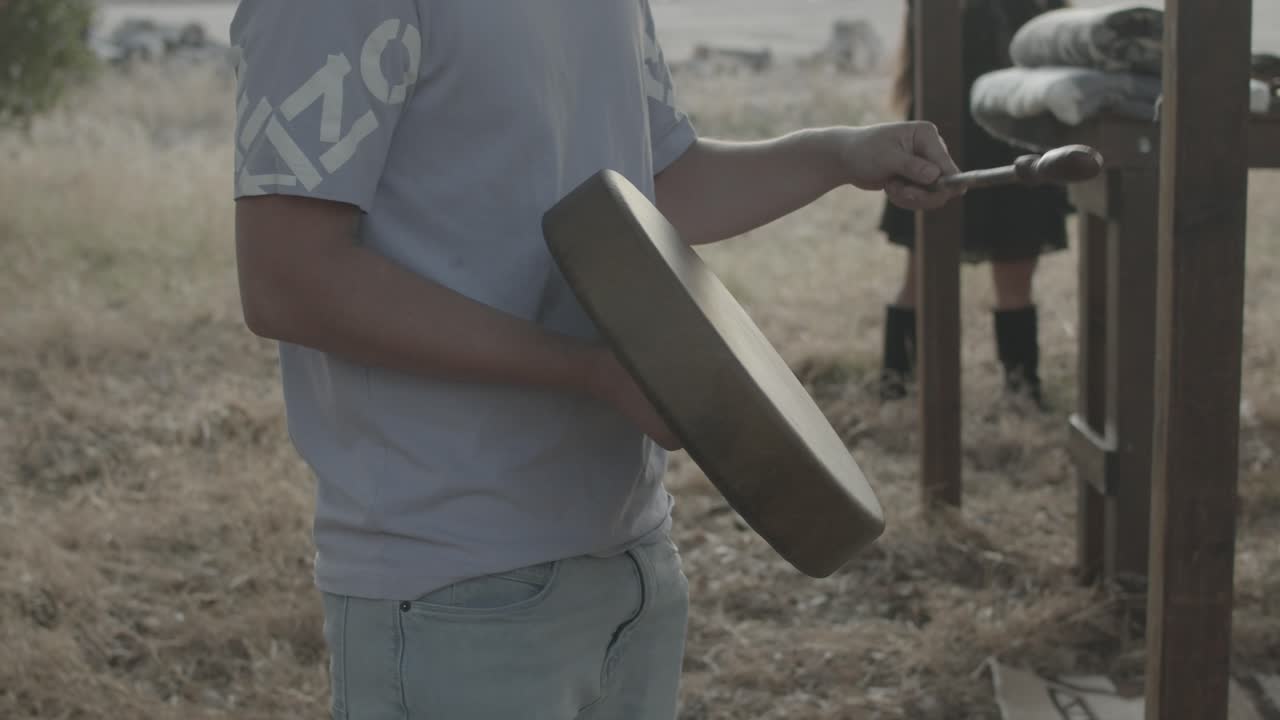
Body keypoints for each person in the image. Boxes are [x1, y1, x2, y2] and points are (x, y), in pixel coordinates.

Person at [228, 1, 960, 718]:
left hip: (630, 556)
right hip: (448, 579)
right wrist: (590, 371)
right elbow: (290, 279)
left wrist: (835, 155)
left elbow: (658, 186)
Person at [877, 0, 1073, 408]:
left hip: (1017, 140)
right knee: (921, 272)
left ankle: (1022, 391)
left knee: (1017, 276)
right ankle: (895, 386)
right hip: (948, 137)